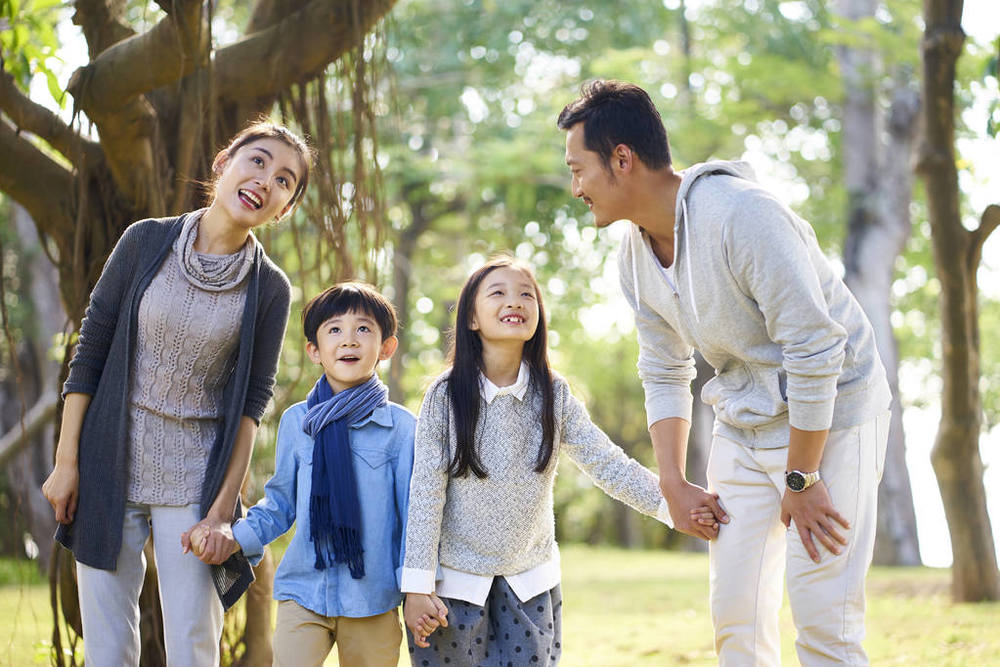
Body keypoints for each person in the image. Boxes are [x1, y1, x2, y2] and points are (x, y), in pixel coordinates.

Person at [557, 79, 892, 666]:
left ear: (622, 159)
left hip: (833, 415)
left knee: (824, 620)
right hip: (744, 419)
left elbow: (816, 350)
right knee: (736, 615)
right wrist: (673, 481)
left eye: (578, 169)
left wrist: (802, 480)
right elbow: (664, 367)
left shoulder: (743, 216)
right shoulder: (633, 257)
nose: (576, 187)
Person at [41, 121, 312, 665]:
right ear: (222, 163)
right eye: (257, 161)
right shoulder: (144, 240)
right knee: (109, 645)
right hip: (106, 460)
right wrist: (66, 461)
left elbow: (252, 405)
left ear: (283, 209)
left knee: (193, 643)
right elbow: (90, 349)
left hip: (194, 477)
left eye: (285, 180)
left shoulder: (271, 289)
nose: (266, 180)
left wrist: (219, 514)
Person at [400, 256, 710, 666]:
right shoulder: (445, 396)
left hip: (530, 586)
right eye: (498, 293)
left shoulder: (554, 394)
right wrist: (417, 587)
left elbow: (607, 463)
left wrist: (673, 505)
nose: (515, 301)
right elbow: (425, 494)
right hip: (452, 590)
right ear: (471, 318)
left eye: (526, 294)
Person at [208, 282, 419, 667]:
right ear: (314, 351)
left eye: (364, 329)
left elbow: (414, 518)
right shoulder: (297, 422)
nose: (349, 341)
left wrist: (418, 588)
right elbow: (281, 503)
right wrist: (234, 537)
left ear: (386, 347)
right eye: (335, 330)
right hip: (305, 591)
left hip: (372, 598)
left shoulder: (402, 428)